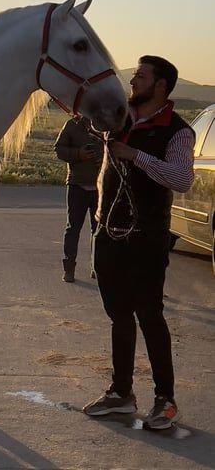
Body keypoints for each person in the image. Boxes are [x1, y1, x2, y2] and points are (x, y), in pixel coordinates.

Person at [83, 55, 195, 430]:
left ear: (160, 85)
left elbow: (181, 178)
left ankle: (165, 399)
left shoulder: (178, 131)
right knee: (119, 315)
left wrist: (136, 155)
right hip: (108, 234)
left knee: (149, 314)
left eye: (140, 77)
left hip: (147, 238)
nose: (132, 82)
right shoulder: (119, 119)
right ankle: (121, 393)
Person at [54, 115, 103, 282]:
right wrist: (78, 154)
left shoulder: (105, 123)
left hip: (100, 187)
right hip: (77, 185)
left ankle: (97, 268)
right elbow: (59, 149)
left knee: (99, 230)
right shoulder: (72, 125)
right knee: (73, 229)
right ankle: (69, 269)